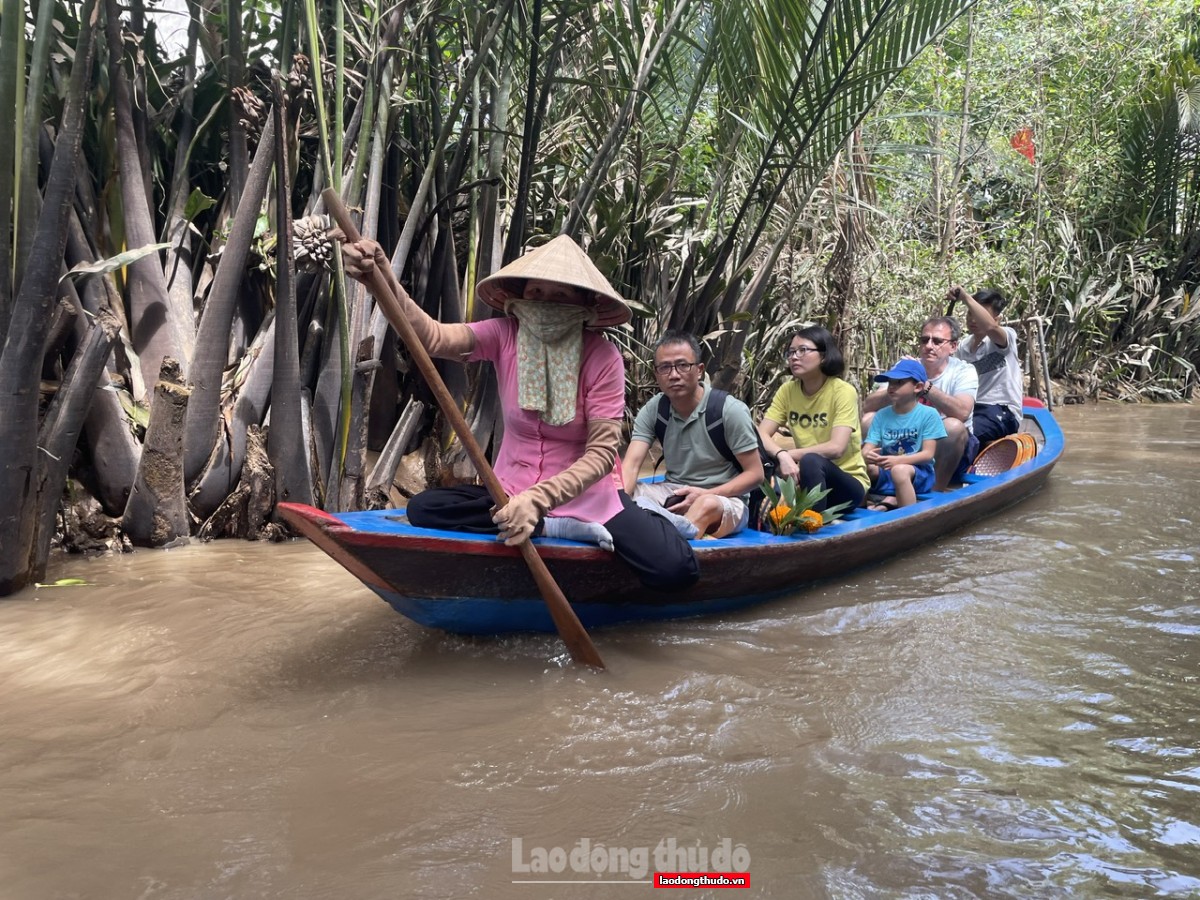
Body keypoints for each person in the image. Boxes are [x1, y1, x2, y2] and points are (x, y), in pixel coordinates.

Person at [338, 233, 699, 591]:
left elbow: (602, 454)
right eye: (537, 292)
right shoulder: (505, 334)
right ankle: (553, 526)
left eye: (560, 294)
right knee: (424, 508)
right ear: (521, 295)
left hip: (588, 497)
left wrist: (538, 501)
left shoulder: (603, 357)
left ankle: (630, 519)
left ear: (583, 302)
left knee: (676, 569)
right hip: (510, 492)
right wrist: (381, 279)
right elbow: (433, 338)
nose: (545, 302)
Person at [621, 331, 764, 539]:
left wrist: (704, 493)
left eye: (683, 365)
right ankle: (652, 533)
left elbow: (755, 474)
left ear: (699, 370)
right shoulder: (654, 410)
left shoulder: (729, 410)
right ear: (656, 374)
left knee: (705, 505)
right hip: (674, 492)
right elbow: (631, 466)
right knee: (615, 493)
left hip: (724, 497)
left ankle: (671, 546)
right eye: (665, 368)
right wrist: (619, 500)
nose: (674, 375)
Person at [757, 326, 869, 512]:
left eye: (803, 350)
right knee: (755, 456)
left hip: (847, 485)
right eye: (791, 352)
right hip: (806, 480)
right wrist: (780, 455)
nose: (794, 356)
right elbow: (761, 434)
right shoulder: (788, 390)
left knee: (811, 460)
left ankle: (812, 527)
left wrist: (788, 455)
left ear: (824, 356)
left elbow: (836, 448)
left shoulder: (842, 391)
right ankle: (755, 520)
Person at [862, 316, 978, 490]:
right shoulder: (907, 366)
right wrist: (903, 383)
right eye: (925, 340)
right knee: (869, 419)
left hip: (947, 447)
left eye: (937, 341)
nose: (929, 346)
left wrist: (925, 385)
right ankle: (877, 485)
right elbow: (868, 406)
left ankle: (934, 491)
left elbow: (962, 412)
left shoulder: (963, 371)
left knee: (953, 426)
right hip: (904, 440)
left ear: (953, 347)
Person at [862, 358, 947, 510]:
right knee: (861, 467)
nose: (892, 387)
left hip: (919, 471)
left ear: (918, 386)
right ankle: (858, 512)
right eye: (890, 383)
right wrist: (867, 455)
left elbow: (928, 455)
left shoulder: (928, 414)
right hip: (887, 467)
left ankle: (908, 517)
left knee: (899, 470)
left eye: (899, 383)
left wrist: (898, 461)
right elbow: (867, 448)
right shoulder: (881, 415)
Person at [948, 285, 1023, 447]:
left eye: (978, 314)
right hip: (971, 409)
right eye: (970, 314)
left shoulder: (1005, 336)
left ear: (997, 319)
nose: (973, 319)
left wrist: (966, 298)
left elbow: (991, 328)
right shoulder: (963, 347)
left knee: (957, 436)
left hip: (1002, 410)